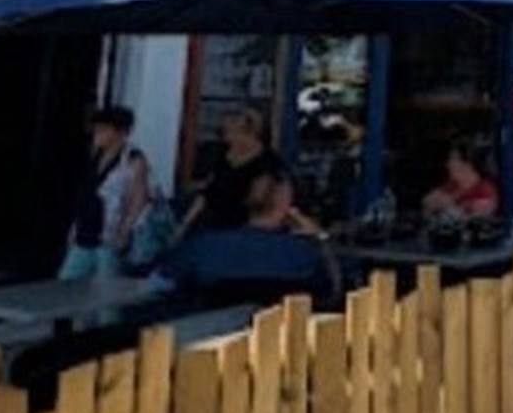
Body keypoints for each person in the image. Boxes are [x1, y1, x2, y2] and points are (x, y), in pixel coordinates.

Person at [156, 169, 337, 303]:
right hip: (277, 344)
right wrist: (320, 238)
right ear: (287, 204)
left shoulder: (202, 247)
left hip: (205, 343)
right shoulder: (304, 254)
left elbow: (159, 283)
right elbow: (331, 293)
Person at [59, 105, 150, 280]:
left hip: (110, 236)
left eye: (103, 129)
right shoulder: (96, 156)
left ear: (119, 132)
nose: (97, 134)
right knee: (67, 281)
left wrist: (124, 231)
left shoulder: (133, 160)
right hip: (85, 234)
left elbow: (138, 200)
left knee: (105, 287)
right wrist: (75, 226)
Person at [177, 106, 282, 238]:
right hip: (211, 218)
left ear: (249, 133)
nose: (226, 138)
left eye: (230, 132)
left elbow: (257, 201)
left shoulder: (267, 162)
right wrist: (185, 224)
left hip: (240, 227)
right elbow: (209, 189)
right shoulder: (223, 154)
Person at [422, 138, 497, 219]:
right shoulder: (452, 185)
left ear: (467, 164)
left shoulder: (485, 190)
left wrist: (450, 205)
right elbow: (427, 202)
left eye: (453, 159)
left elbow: (475, 218)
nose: (448, 164)